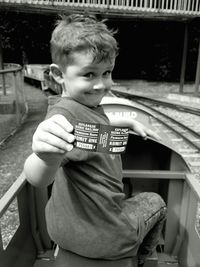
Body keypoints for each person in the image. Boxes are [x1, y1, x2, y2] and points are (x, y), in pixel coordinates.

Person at [24, 14, 167, 266]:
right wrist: (42, 156)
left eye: (107, 72)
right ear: (58, 75)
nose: (102, 85)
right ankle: (141, 259)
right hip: (111, 237)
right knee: (156, 202)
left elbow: (90, 131)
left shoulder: (80, 107)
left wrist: (127, 122)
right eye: (89, 74)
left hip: (65, 233)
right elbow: (38, 177)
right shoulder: (62, 120)